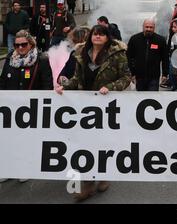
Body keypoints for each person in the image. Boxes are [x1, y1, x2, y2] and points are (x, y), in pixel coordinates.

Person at [55, 25, 131, 202]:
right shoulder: (81, 54)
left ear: (107, 38)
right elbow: (76, 79)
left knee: (102, 143)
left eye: (101, 34)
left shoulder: (117, 54)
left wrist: (110, 87)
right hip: (85, 107)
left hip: (107, 106)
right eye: (95, 34)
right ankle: (88, 184)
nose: (97, 36)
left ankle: (103, 175)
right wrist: (63, 87)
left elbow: (126, 77)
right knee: (86, 144)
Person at [0, 30, 53, 184]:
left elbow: (47, 85)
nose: (20, 48)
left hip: (31, 108)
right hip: (11, 108)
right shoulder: (10, 58)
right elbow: (3, 81)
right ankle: (8, 169)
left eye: (24, 44)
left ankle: (24, 168)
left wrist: (43, 106)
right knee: (9, 139)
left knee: (27, 140)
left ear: (31, 44)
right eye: (17, 45)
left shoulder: (41, 59)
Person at [127, 19, 169, 91]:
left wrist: (165, 74)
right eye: (146, 27)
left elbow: (165, 58)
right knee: (140, 97)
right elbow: (129, 57)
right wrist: (132, 73)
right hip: (139, 76)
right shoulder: (134, 39)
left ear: (154, 28)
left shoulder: (160, 40)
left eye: (151, 27)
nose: (148, 29)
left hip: (154, 77)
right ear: (143, 27)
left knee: (153, 98)